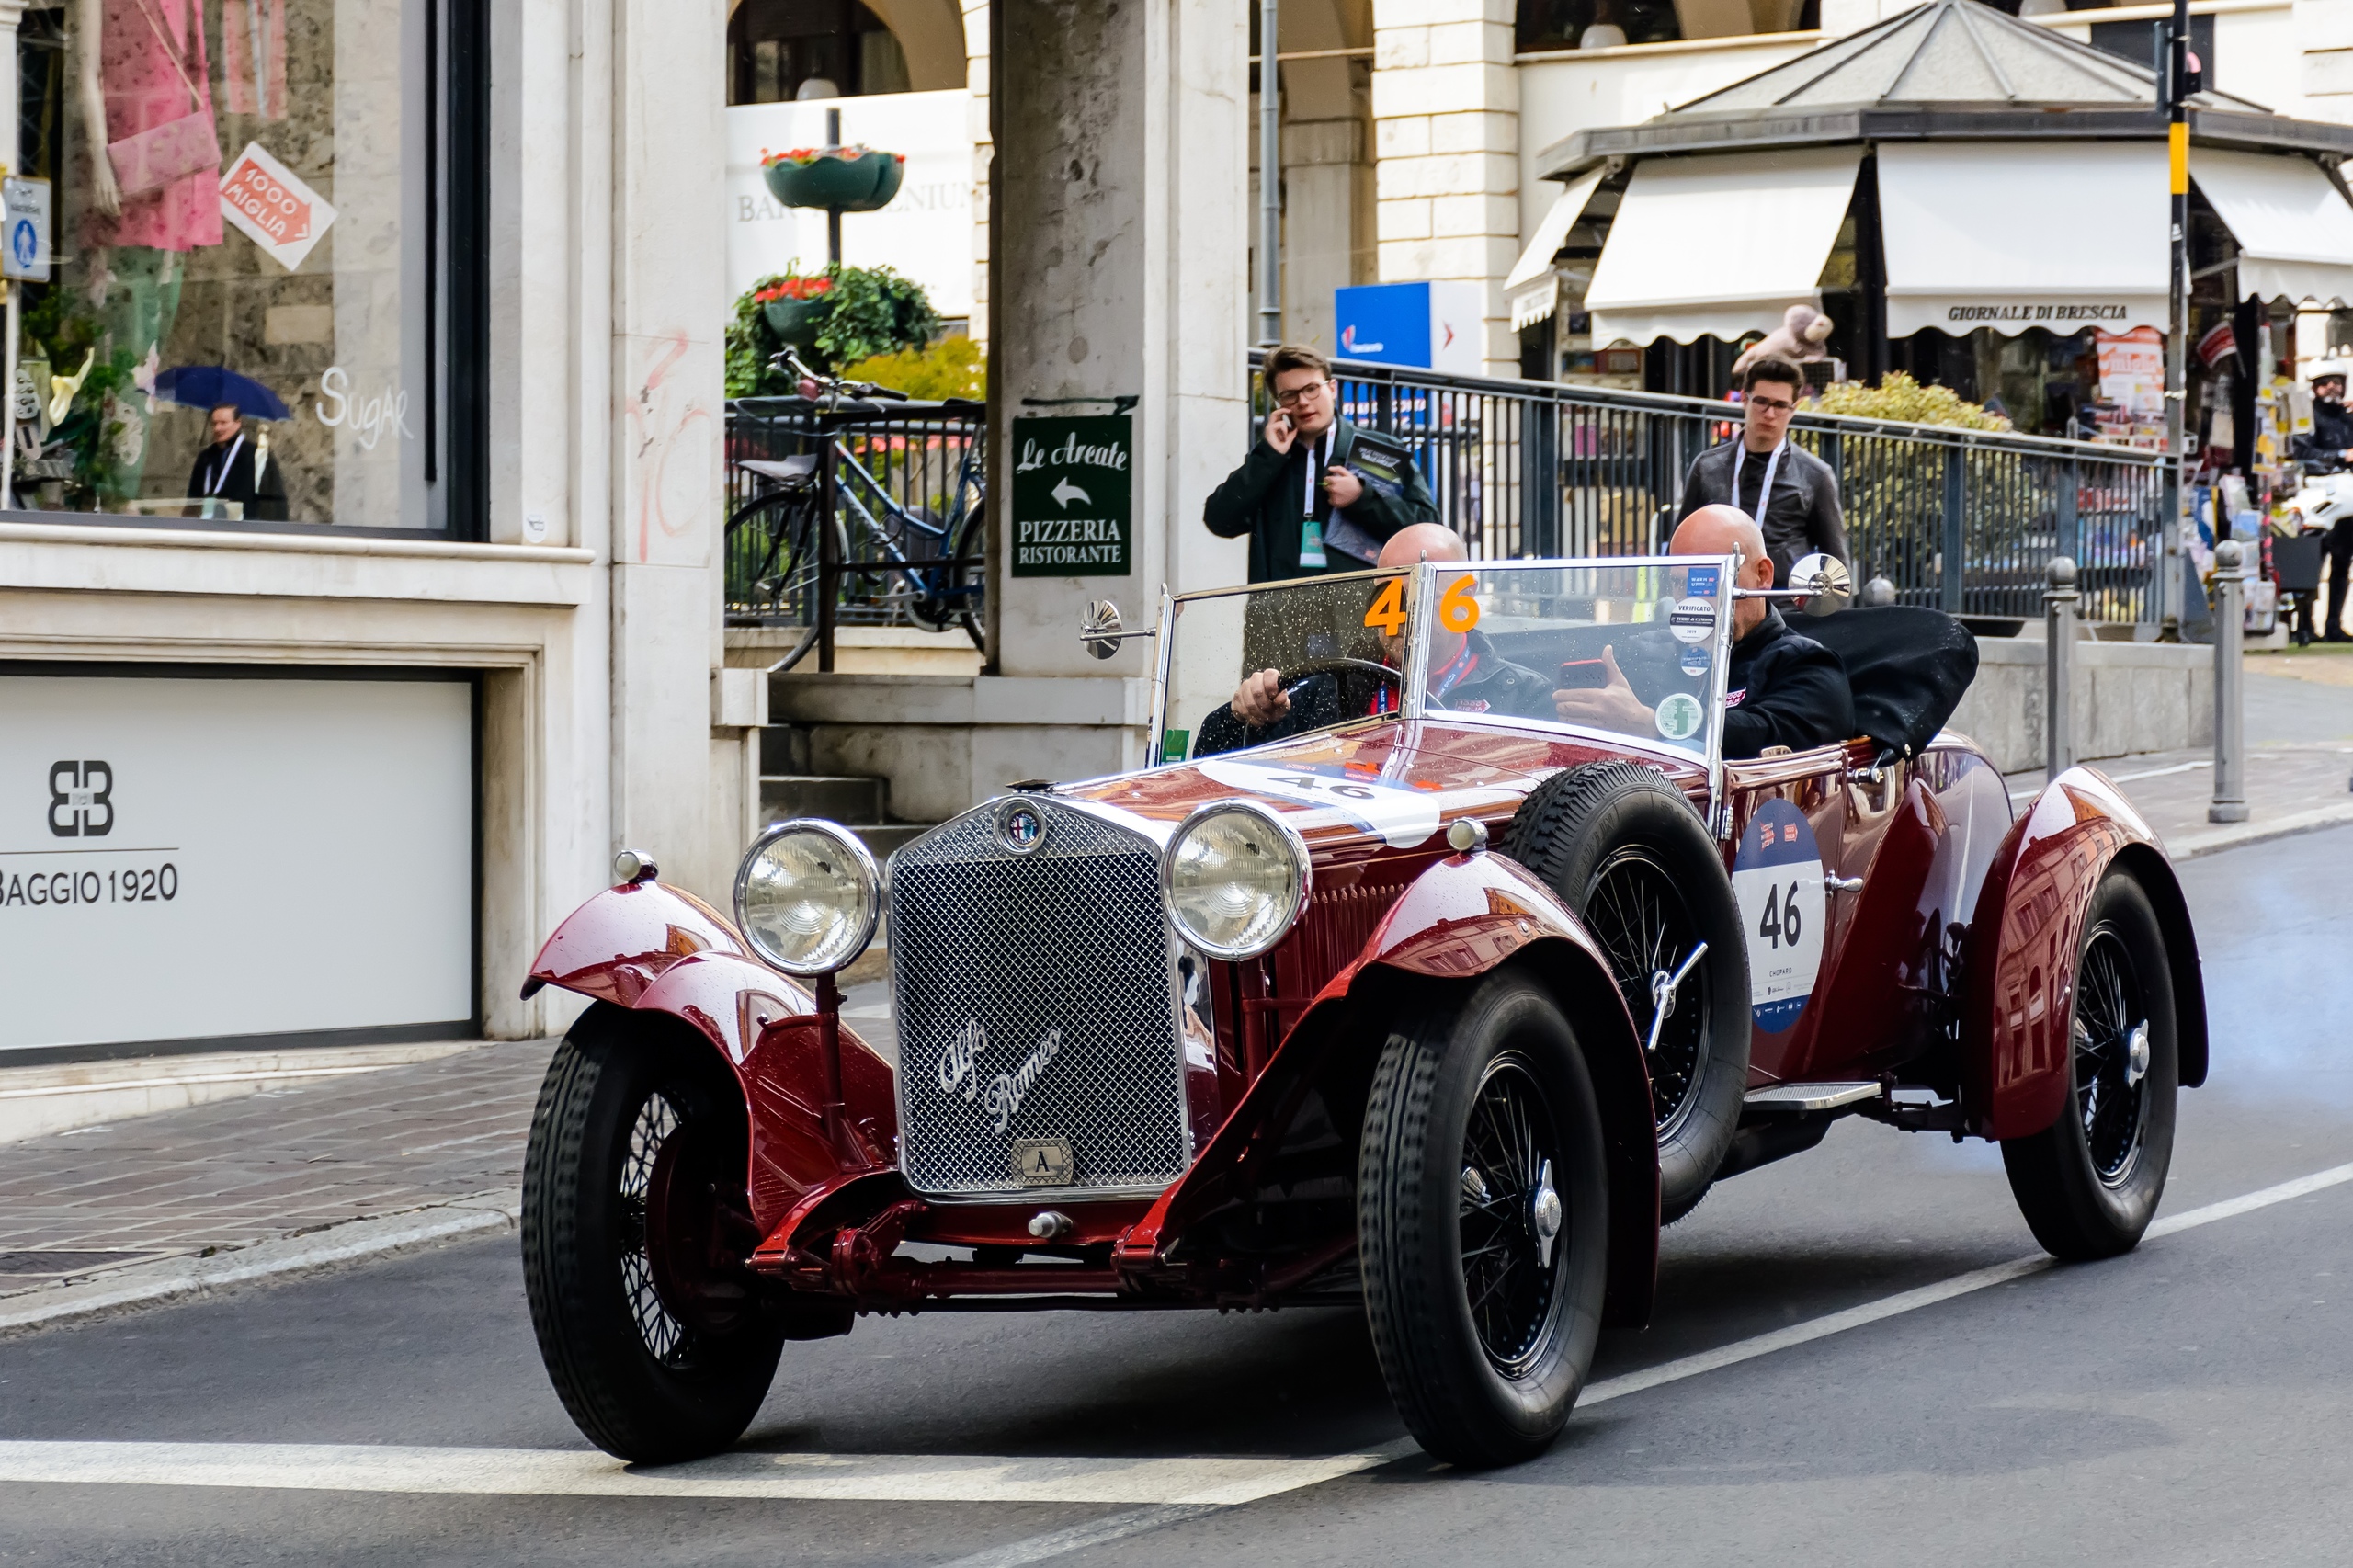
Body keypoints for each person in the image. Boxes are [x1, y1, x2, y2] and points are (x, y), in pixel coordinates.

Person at [1203, 524, 1554, 753]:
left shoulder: (1523, 695)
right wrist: (1247, 714)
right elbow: (1212, 754)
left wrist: (1610, 723)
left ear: (1464, 597)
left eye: (1423, 592)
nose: (1401, 615)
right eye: (1385, 599)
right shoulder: (1329, 689)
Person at [1554, 505, 1856, 759]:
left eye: (1706, 579)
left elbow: (1767, 734)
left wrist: (1654, 727)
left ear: (1762, 575)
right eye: (1678, 583)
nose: (1690, 599)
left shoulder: (1805, 663)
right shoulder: (1646, 651)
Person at [1204, 345, 1439, 583]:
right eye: (1289, 395)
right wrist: (1268, 457)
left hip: (1359, 605)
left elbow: (1427, 529)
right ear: (1279, 403)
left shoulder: (1375, 450)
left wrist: (1362, 498)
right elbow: (1219, 520)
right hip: (1277, 609)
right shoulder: (1271, 459)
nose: (1303, 402)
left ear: (1332, 388)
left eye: (1311, 389)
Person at [1675, 356, 1847, 587]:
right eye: (1762, 402)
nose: (1769, 413)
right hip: (1717, 599)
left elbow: (1836, 563)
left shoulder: (1815, 475)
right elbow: (1681, 544)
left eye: (1780, 405)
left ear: (1793, 409)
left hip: (1785, 607)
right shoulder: (1707, 467)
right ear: (1744, 399)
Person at [2292, 362, 2353, 642]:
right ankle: (2304, 624)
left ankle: (2333, 625)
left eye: (2338, 381)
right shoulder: (2307, 416)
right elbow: (2303, 452)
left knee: (2342, 563)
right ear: (2315, 386)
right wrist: (2341, 455)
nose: (2333, 387)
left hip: (2346, 500)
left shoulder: (2347, 418)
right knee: (2309, 562)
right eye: (2326, 382)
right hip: (2316, 496)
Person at [186, 403, 288, 521]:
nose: (217, 428)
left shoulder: (257, 455)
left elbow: (273, 501)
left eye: (223, 423)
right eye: (214, 423)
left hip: (245, 529)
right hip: (209, 526)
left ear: (238, 423)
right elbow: (193, 498)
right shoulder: (205, 457)